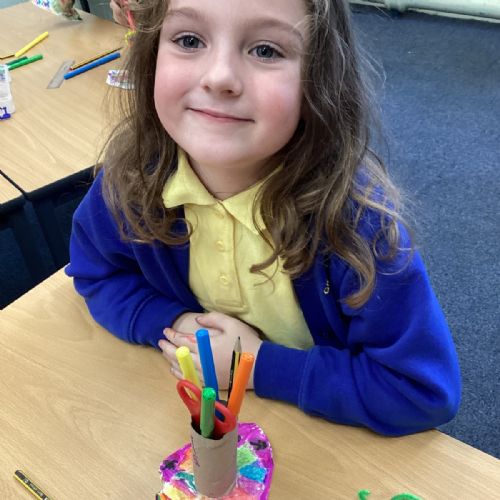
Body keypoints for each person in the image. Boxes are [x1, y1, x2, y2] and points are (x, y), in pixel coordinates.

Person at [66, 0, 461, 436]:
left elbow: (421, 390)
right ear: (151, 54)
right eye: (189, 40)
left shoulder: (359, 226)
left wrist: (258, 366)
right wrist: (175, 325)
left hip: (322, 441)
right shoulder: (131, 181)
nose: (219, 77)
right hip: (190, 425)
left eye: (266, 50)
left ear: (319, 79)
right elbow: (97, 274)